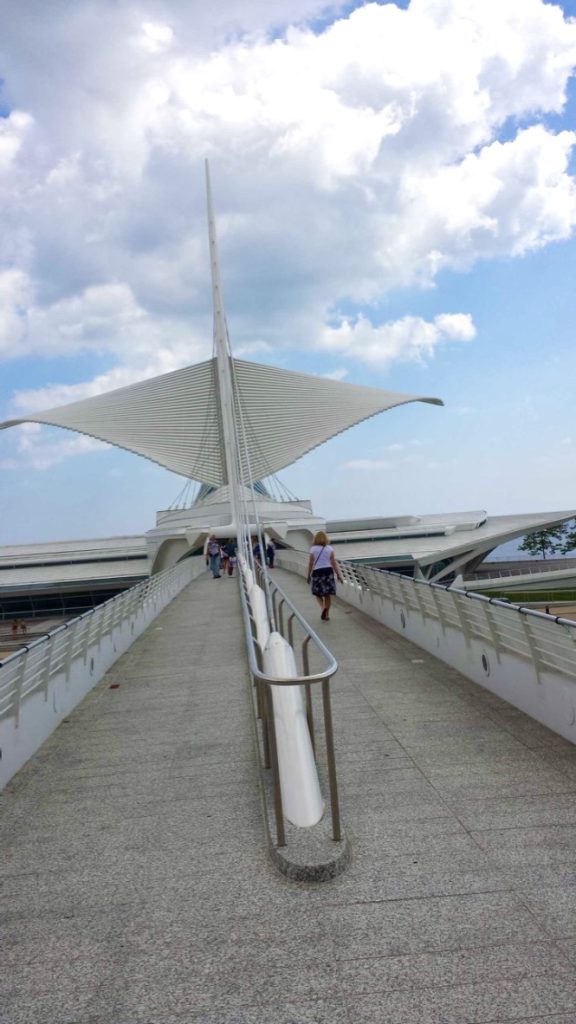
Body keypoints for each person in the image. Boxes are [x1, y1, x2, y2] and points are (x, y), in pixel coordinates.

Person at [307, 530, 343, 621]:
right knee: (327, 594)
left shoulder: (313, 549)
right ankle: (326, 615)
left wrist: (308, 575)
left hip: (317, 572)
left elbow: (311, 563)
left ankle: (323, 608)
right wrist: (338, 575)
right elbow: (334, 563)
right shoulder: (330, 549)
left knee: (317, 593)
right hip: (328, 571)